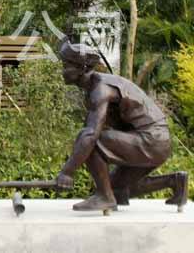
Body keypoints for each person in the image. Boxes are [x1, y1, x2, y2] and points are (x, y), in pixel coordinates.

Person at [55, 38, 188, 212]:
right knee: (116, 189)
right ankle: (175, 181)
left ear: (83, 68)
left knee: (91, 140)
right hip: (156, 141)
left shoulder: (100, 89)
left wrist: (67, 171)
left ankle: (104, 197)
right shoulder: (95, 88)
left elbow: (90, 134)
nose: (63, 71)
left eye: (67, 66)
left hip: (151, 140)